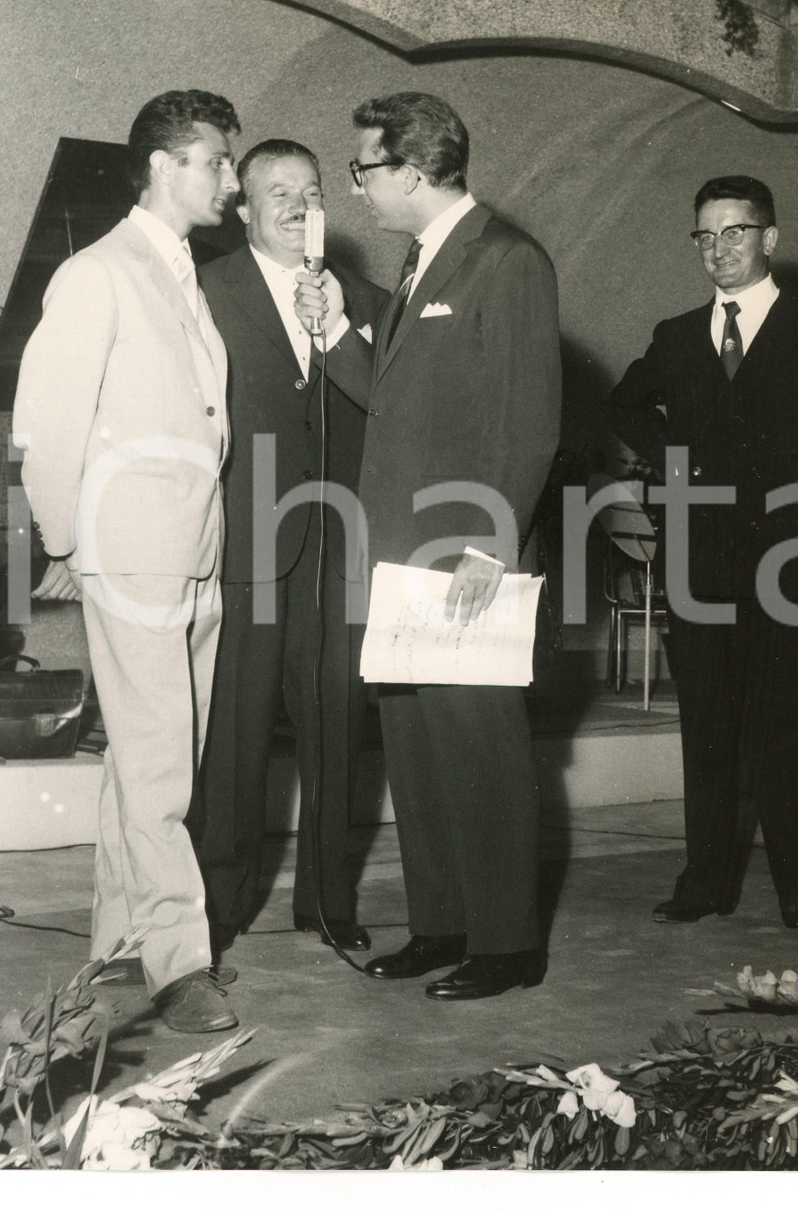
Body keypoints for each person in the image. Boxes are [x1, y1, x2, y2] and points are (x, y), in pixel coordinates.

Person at [298, 92, 561, 999]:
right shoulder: (424, 260)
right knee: (415, 750)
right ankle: (442, 922)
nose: (359, 188)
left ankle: (507, 942)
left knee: (481, 751)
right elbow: (399, 399)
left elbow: (530, 423)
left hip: (466, 556)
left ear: (412, 171)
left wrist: (490, 556)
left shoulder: (507, 260)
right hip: (402, 554)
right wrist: (333, 329)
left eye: (365, 169)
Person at [607, 175, 798, 945]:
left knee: (795, 732)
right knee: (704, 725)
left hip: (793, 560)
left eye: (734, 233)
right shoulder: (676, 335)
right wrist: (676, 461)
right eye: (704, 236)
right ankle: (704, 882)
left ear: (770, 239)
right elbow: (622, 402)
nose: (718, 250)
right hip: (699, 558)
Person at [13, 90, 243, 1032]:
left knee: (153, 759)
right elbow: (49, 423)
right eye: (216, 162)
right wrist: (65, 540)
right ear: (161, 164)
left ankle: (116, 940)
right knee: (160, 766)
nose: (230, 180)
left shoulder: (182, 270)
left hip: (192, 547)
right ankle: (178, 964)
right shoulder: (99, 272)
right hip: (132, 547)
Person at [187, 139, 387, 959]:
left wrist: (336, 326)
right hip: (250, 539)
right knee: (232, 734)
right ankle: (219, 905)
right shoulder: (205, 291)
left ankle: (328, 902)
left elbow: (388, 402)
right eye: (278, 190)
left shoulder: (365, 297)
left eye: (311, 190)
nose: (299, 204)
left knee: (336, 728)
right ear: (243, 208)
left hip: (337, 542)